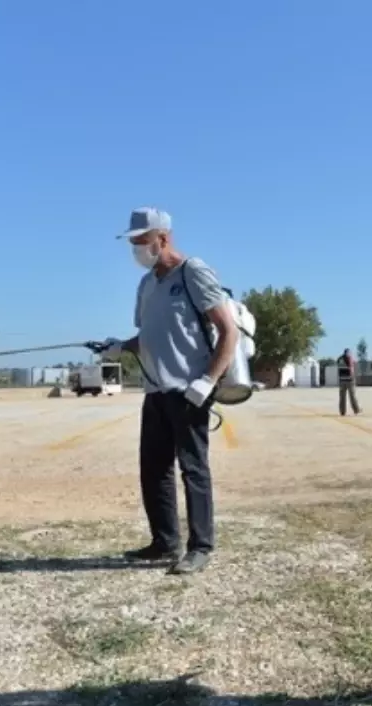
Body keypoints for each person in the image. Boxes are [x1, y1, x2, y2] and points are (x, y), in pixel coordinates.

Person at [101, 207, 238, 576]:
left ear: (163, 238)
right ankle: (164, 541)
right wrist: (120, 346)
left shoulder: (193, 272)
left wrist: (207, 381)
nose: (136, 249)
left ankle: (200, 547)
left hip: (190, 391)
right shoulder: (146, 285)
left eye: (141, 241)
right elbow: (148, 336)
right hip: (156, 390)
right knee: (154, 469)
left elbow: (229, 332)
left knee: (193, 469)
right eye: (133, 243)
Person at [336, 348, 361, 416]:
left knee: (342, 397)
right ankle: (356, 410)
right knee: (352, 396)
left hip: (342, 380)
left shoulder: (339, 359)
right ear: (348, 353)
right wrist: (353, 377)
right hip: (349, 380)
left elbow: (339, 369)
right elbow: (351, 369)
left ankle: (342, 411)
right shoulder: (349, 358)